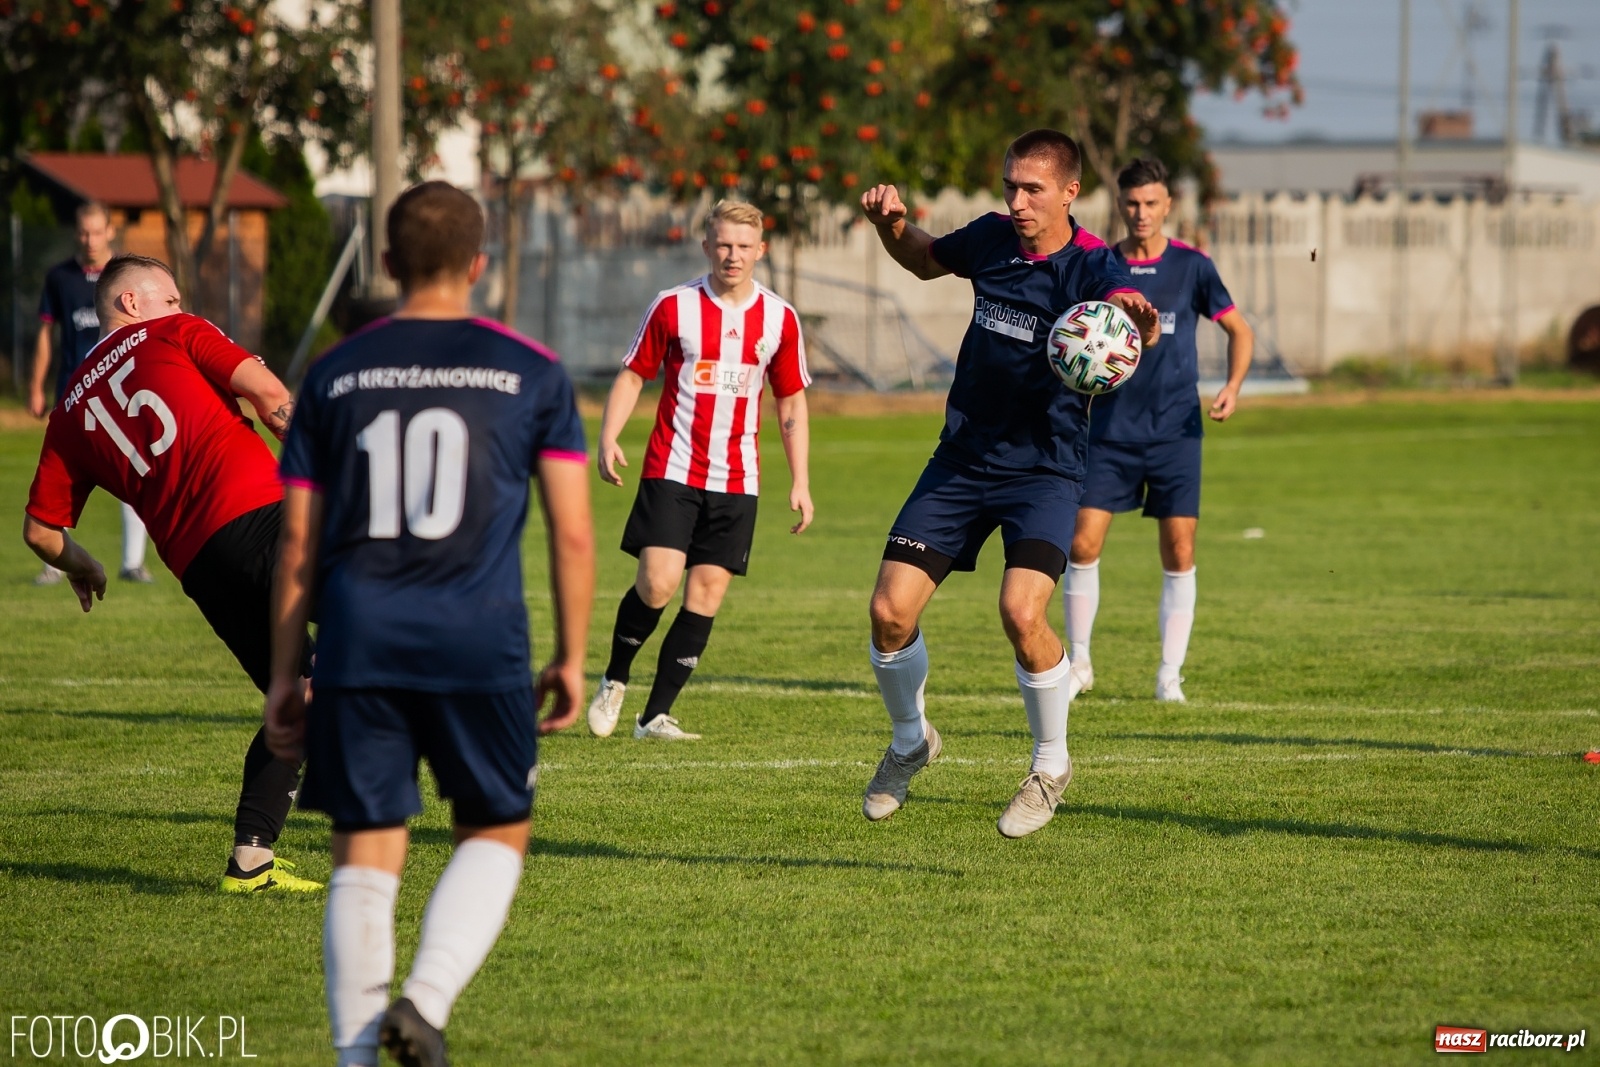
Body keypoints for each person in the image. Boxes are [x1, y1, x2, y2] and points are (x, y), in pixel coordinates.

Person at [265, 181, 595, 1067]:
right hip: (478, 636)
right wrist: (570, 655)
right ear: (480, 265)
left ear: (385, 263)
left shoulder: (334, 372)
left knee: (364, 855)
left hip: (361, 638)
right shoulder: (531, 368)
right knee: (496, 827)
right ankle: (426, 997)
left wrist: (284, 672)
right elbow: (571, 528)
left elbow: (297, 541)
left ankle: (354, 1055)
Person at [857, 130, 1160, 839]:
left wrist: (1132, 319)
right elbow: (926, 259)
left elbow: (1117, 305)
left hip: (1045, 469)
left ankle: (1050, 765)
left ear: (1069, 193)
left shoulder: (1092, 267)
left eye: (1032, 189)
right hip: (962, 458)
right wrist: (891, 226)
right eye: (1010, 186)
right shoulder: (992, 237)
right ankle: (911, 741)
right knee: (888, 612)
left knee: (1023, 614)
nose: (1017, 201)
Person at [22, 252, 320, 892]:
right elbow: (270, 398)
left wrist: (86, 563)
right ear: (133, 304)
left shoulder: (69, 411)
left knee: (295, 691)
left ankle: (251, 862)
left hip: (200, 566)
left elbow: (41, 531)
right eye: (172, 297)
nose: (181, 308)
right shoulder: (175, 333)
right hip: (263, 517)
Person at [584, 199, 813, 742]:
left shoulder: (779, 318)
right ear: (706, 245)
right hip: (674, 466)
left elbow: (790, 403)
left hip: (738, 479)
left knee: (705, 595)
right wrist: (608, 435)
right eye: (723, 245)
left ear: (763, 250)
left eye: (744, 246)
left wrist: (801, 480)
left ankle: (653, 716)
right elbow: (633, 374)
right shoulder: (674, 306)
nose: (733, 256)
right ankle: (615, 678)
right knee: (658, 583)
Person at [1063, 158, 1254, 704]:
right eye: (1131, 203)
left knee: (1179, 547)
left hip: (1176, 431)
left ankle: (1169, 675)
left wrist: (1234, 386)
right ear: (1119, 204)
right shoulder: (1101, 267)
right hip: (1107, 431)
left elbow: (1240, 331)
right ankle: (1079, 663)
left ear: (1168, 204)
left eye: (1151, 203)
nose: (1141, 213)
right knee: (1082, 541)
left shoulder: (1193, 267)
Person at [30, 202, 152, 585]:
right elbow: (46, 336)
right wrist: (36, 385)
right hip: (71, 393)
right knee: (59, 479)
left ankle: (133, 564)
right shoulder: (60, 278)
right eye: (83, 232)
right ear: (76, 233)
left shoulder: (127, 276)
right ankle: (55, 563)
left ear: (110, 232)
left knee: (132, 472)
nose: (90, 239)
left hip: (120, 395)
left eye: (97, 232)